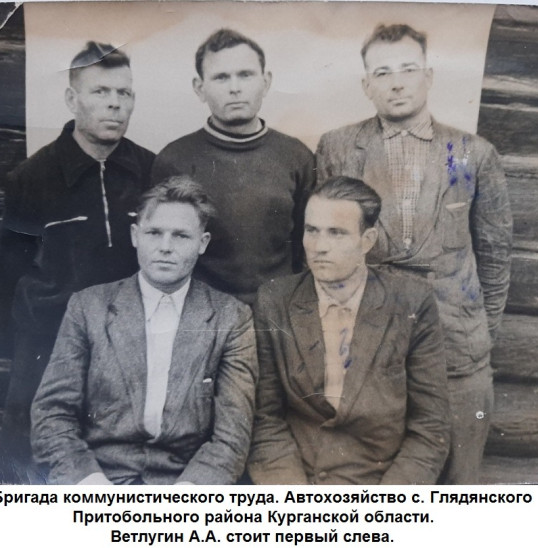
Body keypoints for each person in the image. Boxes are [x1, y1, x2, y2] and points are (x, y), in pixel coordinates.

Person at [315, 24, 513, 484]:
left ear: (428, 76)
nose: (397, 83)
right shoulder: (338, 147)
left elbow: (495, 257)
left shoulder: (472, 153)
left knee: (458, 484)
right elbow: (323, 247)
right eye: (382, 73)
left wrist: (476, 331)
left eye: (408, 69)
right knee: (374, 484)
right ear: (367, 84)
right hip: (367, 346)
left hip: (457, 351)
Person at [31, 176, 258, 485]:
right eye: (154, 233)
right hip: (100, 478)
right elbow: (52, 413)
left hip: (184, 484)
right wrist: (91, 485)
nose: (165, 247)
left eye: (181, 236)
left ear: (202, 243)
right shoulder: (88, 307)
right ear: (136, 236)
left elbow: (232, 437)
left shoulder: (230, 318)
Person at [0, 41, 155, 475]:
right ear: (72, 99)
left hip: (131, 352)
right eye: (100, 91)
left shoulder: (151, 171)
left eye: (124, 93)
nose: (114, 103)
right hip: (48, 352)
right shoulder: (31, 178)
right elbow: (11, 278)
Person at [248, 176, 449, 485]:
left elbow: (430, 428)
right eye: (311, 231)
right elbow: (265, 419)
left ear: (367, 240)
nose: (319, 247)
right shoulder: (275, 300)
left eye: (337, 233)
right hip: (296, 480)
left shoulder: (411, 301)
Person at [151, 28, 315, 305]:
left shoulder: (297, 156)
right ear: (199, 88)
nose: (235, 88)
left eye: (245, 75)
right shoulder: (174, 160)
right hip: (202, 313)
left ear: (266, 82)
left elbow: (307, 243)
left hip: (280, 311)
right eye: (221, 77)